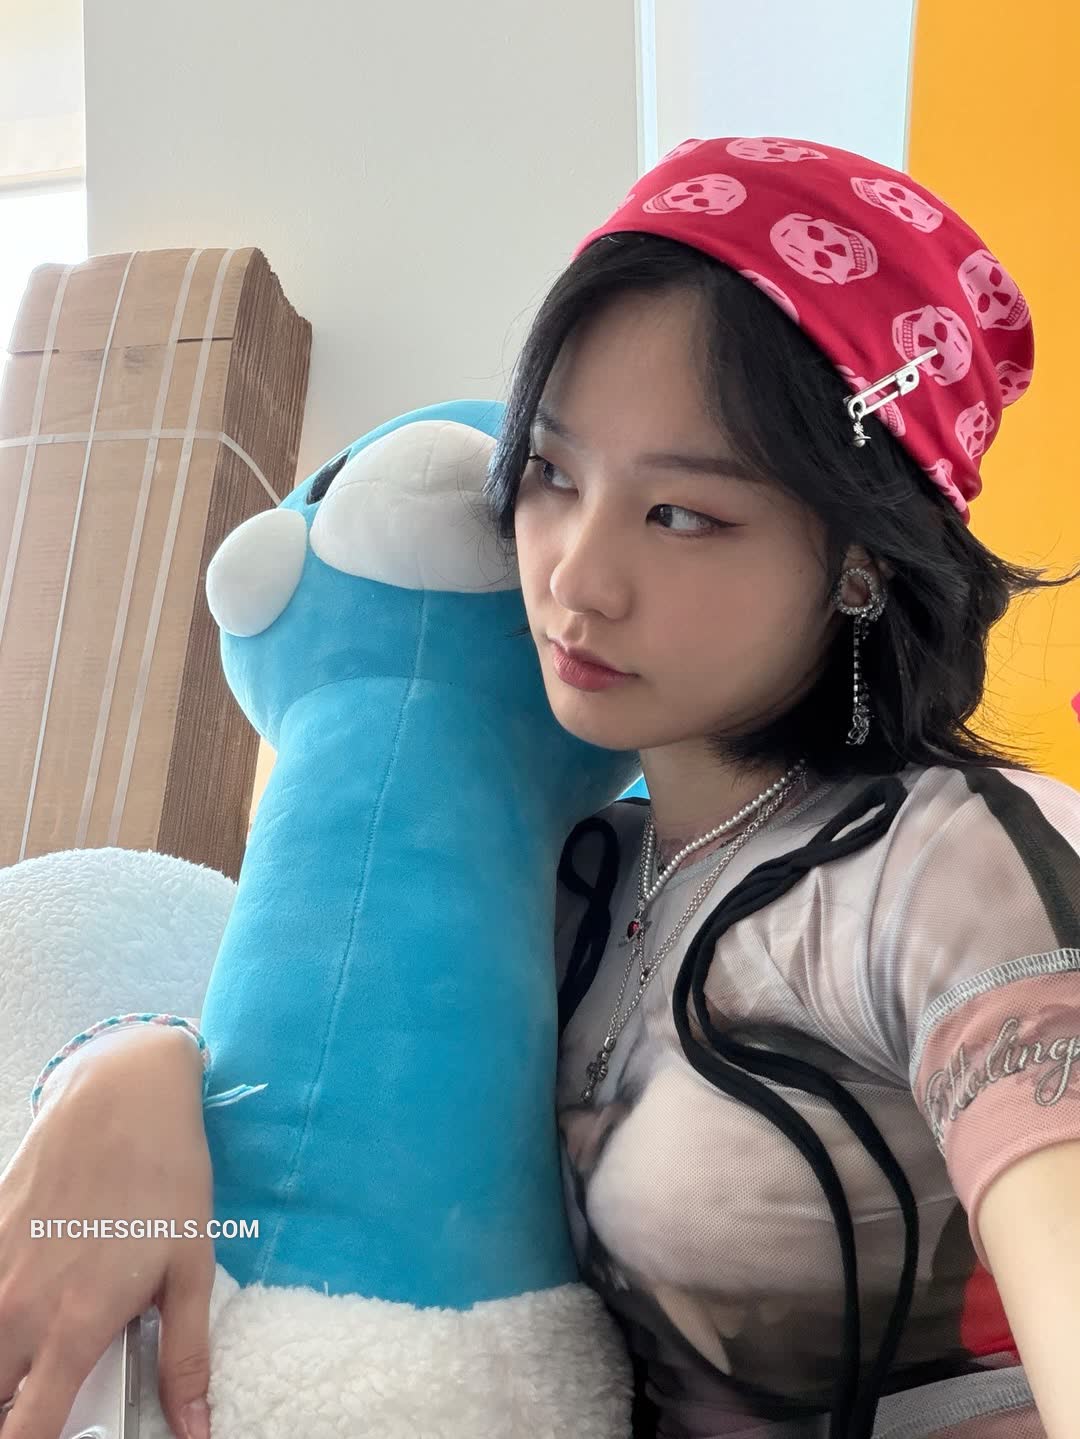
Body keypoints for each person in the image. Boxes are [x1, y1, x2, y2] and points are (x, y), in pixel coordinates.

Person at [0, 135, 1077, 1439]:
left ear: (861, 560)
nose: (573, 575)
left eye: (682, 514)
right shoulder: (574, 878)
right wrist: (134, 1073)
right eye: (552, 476)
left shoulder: (954, 866)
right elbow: (339, 1094)